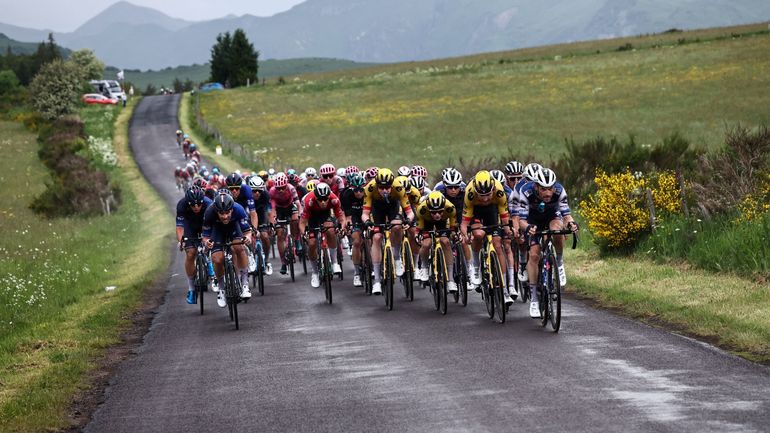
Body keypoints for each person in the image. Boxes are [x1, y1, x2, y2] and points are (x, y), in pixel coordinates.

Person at [518, 167, 578, 318]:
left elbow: (566, 214)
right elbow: (521, 221)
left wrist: (571, 224)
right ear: (536, 186)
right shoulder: (526, 192)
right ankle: (533, 298)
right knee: (534, 255)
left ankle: (558, 262)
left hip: (552, 215)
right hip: (532, 219)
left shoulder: (559, 191)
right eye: (543, 189)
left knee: (557, 230)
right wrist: (528, 228)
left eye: (550, 189)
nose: (547, 193)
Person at [460, 170, 514, 306]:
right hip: (475, 211)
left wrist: (509, 231)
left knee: (497, 244)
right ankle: (477, 267)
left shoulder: (499, 191)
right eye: (481, 195)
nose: (485, 199)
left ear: (493, 189)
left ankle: (504, 289)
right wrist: (465, 235)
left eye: (488, 194)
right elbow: (465, 223)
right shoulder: (470, 193)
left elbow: (505, 217)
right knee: (478, 234)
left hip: (492, 210)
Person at [361, 168, 415, 295]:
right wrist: (368, 222)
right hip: (377, 209)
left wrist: (407, 220)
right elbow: (365, 213)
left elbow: (409, 212)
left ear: (392, 185)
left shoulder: (398, 187)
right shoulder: (369, 188)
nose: (384, 190)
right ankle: (377, 282)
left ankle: (397, 258)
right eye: (381, 187)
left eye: (387, 187)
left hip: (393, 207)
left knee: (397, 226)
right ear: (376, 185)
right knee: (377, 237)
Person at [202, 193, 254, 305]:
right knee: (217, 259)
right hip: (217, 231)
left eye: (227, 212)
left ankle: (245, 284)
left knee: (239, 247)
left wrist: (248, 238)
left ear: (232, 210)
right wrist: (207, 243)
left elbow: (247, 231)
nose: (225, 216)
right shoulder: (209, 212)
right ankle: (221, 289)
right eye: (221, 213)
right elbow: (205, 236)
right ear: (216, 211)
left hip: (234, 227)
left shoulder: (238, 209)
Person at [299, 182, 345, 288]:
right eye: (320, 199)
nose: (323, 202)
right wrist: (304, 233)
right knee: (311, 243)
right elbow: (302, 222)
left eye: (325, 199)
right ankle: (315, 273)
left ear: (329, 196)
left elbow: (341, 217)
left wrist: (341, 228)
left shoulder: (334, 199)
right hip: (312, 217)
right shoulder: (308, 201)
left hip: (326, 215)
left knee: (331, 230)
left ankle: (334, 262)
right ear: (316, 197)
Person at [176, 187, 214, 304]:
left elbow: (213, 225)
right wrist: (181, 240)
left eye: (199, 204)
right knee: (191, 253)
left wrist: (209, 239)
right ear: (188, 203)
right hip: (190, 227)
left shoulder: (209, 204)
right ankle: (191, 289)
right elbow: (180, 227)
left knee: (209, 244)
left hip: (205, 224)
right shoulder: (182, 205)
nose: (196, 207)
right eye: (193, 205)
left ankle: (209, 262)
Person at [415, 191, 458, 294]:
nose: (437, 215)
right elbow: (418, 229)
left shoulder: (450, 208)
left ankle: (451, 279)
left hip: (443, 223)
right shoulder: (422, 209)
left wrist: (454, 234)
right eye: (434, 212)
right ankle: (424, 267)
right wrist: (418, 236)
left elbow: (452, 229)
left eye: (439, 211)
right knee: (426, 244)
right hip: (427, 222)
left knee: (445, 242)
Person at [269, 172, 302, 275]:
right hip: (279, 209)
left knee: (295, 220)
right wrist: (273, 220)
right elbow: (273, 209)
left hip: (290, 206)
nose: (281, 190)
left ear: (286, 185)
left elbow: (297, 203)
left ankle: (296, 240)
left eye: (283, 187)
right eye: (279, 188)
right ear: (276, 187)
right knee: (279, 235)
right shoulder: (272, 191)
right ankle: (283, 262)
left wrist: (300, 213)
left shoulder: (291, 188)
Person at [340, 172, 366, 287]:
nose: (359, 193)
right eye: (356, 190)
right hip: (354, 216)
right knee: (356, 242)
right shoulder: (346, 195)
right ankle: (356, 273)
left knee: (371, 239)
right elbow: (347, 217)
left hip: (367, 215)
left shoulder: (369, 194)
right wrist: (349, 226)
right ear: (352, 188)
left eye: (361, 190)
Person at [248, 175, 273, 275]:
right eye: (254, 191)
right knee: (247, 238)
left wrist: (271, 224)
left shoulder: (266, 195)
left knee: (265, 237)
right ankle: (250, 258)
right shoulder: (246, 196)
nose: (257, 193)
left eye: (259, 190)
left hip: (261, 215)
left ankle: (266, 260)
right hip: (249, 215)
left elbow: (269, 211)